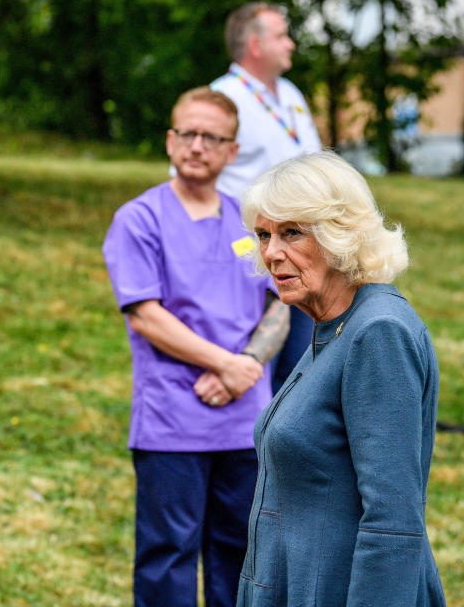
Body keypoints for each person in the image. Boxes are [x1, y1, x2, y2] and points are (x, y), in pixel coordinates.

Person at [103, 87, 290, 607]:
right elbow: (146, 316)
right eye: (187, 133)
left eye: (213, 137)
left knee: (243, 557)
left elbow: (282, 302)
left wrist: (247, 365)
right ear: (169, 140)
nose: (198, 145)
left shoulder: (251, 223)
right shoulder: (139, 219)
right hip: (172, 422)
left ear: (233, 151)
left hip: (245, 422)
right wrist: (227, 364)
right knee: (168, 560)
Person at [236, 151, 445, 606]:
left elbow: (392, 520)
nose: (271, 253)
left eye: (292, 232)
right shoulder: (333, 325)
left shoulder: (378, 332)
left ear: (340, 235)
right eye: (264, 235)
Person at [212, 2, 322, 393]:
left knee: (302, 363)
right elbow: (194, 182)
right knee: (258, 367)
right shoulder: (223, 100)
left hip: (304, 249)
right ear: (255, 44)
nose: (291, 43)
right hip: (247, 256)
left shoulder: (290, 94)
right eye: (281, 35)